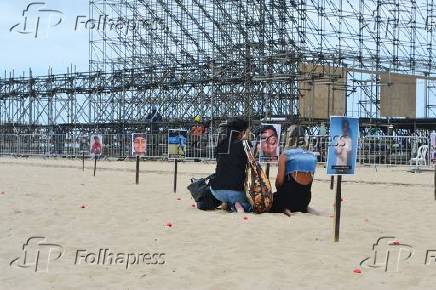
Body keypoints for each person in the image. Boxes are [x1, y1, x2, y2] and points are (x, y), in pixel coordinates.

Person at [270, 125, 317, 215]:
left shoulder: (286, 155)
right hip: (305, 199)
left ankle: (285, 208)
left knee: (272, 199)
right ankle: (304, 208)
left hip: (288, 198)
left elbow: (279, 182)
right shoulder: (312, 156)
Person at [210, 118, 252, 213]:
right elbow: (253, 163)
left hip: (216, 191)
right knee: (251, 204)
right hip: (236, 190)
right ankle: (238, 204)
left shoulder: (221, 144)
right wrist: (247, 140)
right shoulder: (245, 144)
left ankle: (226, 203)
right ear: (243, 132)